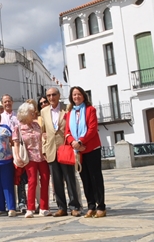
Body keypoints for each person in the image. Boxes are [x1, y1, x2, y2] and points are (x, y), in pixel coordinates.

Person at [66, 86, 106, 217]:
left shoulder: (90, 110)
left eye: (78, 94)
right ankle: (91, 206)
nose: (76, 97)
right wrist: (73, 142)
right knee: (85, 180)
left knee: (95, 178)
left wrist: (81, 142)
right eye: (74, 95)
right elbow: (67, 132)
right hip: (78, 151)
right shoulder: (69, 113)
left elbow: (92, 128)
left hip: (91, 148)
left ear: (83, 96)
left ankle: (101, 206)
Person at [40, 88, 79, 217]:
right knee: (56, 181)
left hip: (65, 148)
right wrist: (44, 148)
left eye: (53, 95)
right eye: (48, 95)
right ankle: (61, 207)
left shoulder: (67, 108)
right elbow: (44, 132)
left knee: (69, 179)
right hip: (51, 150)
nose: (51, 98)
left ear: (59, 95)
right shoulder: (44, 111)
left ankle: (74, 206)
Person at [13, 102, 49, 217]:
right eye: (31, 112)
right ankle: (30, 208)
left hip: (42, 156)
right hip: (29, 157)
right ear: (25, 113)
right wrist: (18, 156)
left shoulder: (36, 125)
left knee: (45, 180)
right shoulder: (18, 127)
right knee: (32, 181)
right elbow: (16, 143)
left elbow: (41, 137)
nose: (33, 114)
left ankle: (44, 207)